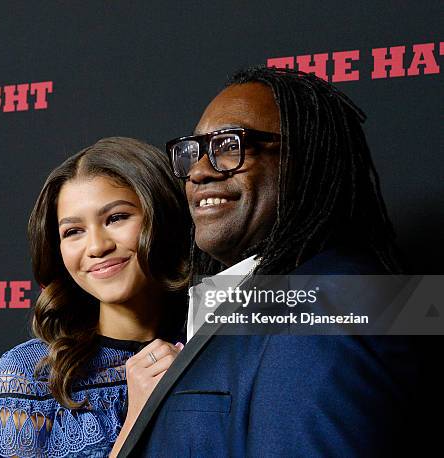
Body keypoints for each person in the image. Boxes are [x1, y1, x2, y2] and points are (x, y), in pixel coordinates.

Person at [117, 67, 420, 457]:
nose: (199, 171)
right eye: (193, 152)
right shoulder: (270, 302)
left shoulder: (331, 308)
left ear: (306, 158)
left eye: (229, 145)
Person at [0, 137, 191, 458]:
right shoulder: (30, 376)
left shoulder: (214, 348)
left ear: (162, 218)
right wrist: (138, 420)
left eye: (116, 218)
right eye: (74, 231)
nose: (97, 246)